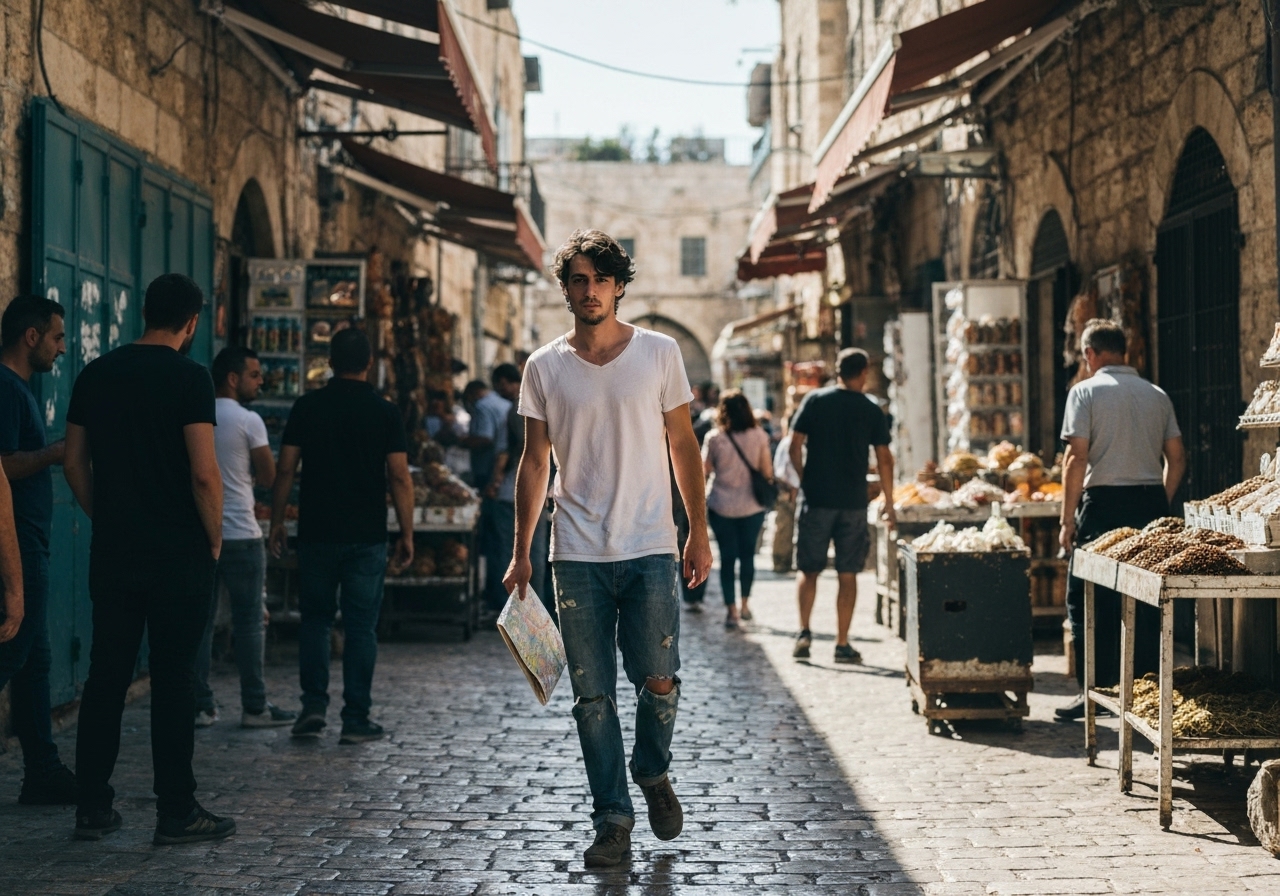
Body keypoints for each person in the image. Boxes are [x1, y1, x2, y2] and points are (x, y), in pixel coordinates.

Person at [504, 229, 711, 868]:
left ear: (619, 285)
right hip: (576, 553)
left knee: (659, 680)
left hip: (651, 545)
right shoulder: (543, 365)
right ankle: (613, 819)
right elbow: (535, 461)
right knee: (591, 699)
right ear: (565, 289)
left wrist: (696, 529)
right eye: (577, 280)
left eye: (600, 279)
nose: (589, 290)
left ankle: (652, 769)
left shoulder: (659, 352)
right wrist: (521, 550)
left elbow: (683, 444)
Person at [64, 273, 234, 844]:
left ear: (144, 312)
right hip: (178, 552)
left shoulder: (96, 372)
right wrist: (212, 539)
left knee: (106, 675)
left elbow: (73, 462)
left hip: (115, 550)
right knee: (174, 680)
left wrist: (105, 516)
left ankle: (91, 805)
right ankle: (176, 810)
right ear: (191, 323)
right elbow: (204, 474)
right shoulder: (191, 378)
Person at [269, 328, 414, 745]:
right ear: (370, 363)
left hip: (316, 532)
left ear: (329, 363)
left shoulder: (307, 407)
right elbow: (400, 477)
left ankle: (313, 706)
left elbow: (285, 469)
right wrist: (406, 532)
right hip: (366, 536)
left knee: (314, 621)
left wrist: (278, 520)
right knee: (360, 627)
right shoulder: (385, 412)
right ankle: (355, 717)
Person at [1056, 319, 1185, 721]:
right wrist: (1157, 503)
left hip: (1102, 503)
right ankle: (1144, 691)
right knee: (1145, 598)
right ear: (1123, 352)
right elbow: (1177, 459)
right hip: (1148, 502)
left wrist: (1066, 520)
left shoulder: (1084, 392)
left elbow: (1076, 458)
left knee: (1086, 596)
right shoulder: (1156, 394)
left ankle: (1095, 689)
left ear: (1090, 354)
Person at [193, 347, 296, 729]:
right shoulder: (249, 420)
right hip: (242, 532)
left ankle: (200, 705)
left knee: (201, 623)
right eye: (254, 375)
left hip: (203, 532)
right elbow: (270, 477)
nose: (260, 381)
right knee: (250, 622)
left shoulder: (196, 414)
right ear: (233, 378)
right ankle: (255, 706)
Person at [0, 295, 75, 805]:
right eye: (56, 337)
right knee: (12, 654)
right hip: (19, 547)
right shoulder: (5, 389)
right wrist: (53, 453)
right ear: (32, 336)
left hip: (33, 543)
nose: (62, 348)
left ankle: (43, 771)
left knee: (35, 663)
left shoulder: (19, 389)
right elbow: (1, 468)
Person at [789, 348, 894, 665]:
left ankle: (804, 633)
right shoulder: (871, 409)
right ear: (863, 373)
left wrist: (804, 479)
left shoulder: (815, 401)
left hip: (817, 499)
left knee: (809, 570)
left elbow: (794, 445)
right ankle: (842, 643)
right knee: (848, 573)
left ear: (838, 372)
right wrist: (890, 500)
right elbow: (885, 458)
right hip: (852, 502)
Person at [702, 390, 773, 629]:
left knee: (727, 559)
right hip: (751, 506)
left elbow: (704, 470)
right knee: (747, 557)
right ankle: (744, 605)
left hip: (721, 507)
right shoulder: (760, 436)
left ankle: (730, 610)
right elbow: (767, 472)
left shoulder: (715, 438)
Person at [487, 364, 552, 618]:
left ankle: (519, 612)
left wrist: (494, 481)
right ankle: (533, 613)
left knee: (513, 552)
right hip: (539, 488)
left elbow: (505, 452)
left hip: (515, 490)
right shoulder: (537, 406)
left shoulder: (517, 410)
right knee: (533, 552)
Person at [771, 416, 802, 574]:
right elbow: (781, 471)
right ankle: (780, 562)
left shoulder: (793, 442)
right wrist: (793, 488)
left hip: (795, 490)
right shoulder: (788, 443)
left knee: (789, 527)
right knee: (784, 527)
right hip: (789, 491)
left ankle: (788, 561)